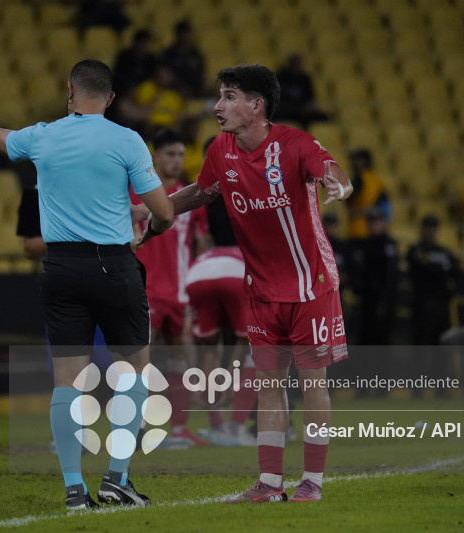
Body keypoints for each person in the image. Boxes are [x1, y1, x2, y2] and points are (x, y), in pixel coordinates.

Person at [0, 59, 173, 510]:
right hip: (114, 265)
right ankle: (117, 479)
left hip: (60, 267)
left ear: (69, 90)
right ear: (111, 98)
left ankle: (74, 491)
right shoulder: (127, 140)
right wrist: (148, 227)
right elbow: (164, 211)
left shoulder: (43, 135)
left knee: (66, 384)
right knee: (134, 375)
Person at [134, 64, 353, 503]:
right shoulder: (220, 149)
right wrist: (153, 211)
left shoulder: (295, 143)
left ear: (256, 105)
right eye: (219, 96)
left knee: (313, 383)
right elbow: (201, 191)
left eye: (229, 96)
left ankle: (312, 481)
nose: (218, 106)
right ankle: (270, 483)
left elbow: (331, 169)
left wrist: (339, 186)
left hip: (310, 284)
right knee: (269, 383)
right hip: (260, 288)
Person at [132, 128, 208, 447]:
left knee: (180, 362)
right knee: (141, 364)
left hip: (180, 294)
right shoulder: (135, 193)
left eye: (181, 155)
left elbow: (200, 246)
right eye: (170, 154)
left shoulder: (190, 197)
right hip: (145, 291)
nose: (177, 161)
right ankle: (139, 429)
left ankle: (178, 429)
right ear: (155, 157)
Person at [186, 193, 258, 447]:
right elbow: (243, 340)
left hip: (196, 273)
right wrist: (230, 380)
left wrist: (201, 381)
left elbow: (206, 347)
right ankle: (235, 429)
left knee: (209, 348)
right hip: (236, 273)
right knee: (254, 351)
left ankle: (217, 424)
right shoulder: (249, 249)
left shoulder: (210, 244)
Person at [407, 215, 460, 347]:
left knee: (442, 344)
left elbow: (456, 269)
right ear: (422, 230)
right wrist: (442, 268)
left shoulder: (443, 251)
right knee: (423, 343)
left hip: (442, 305)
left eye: (434, 228)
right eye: (428, 228)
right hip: (423, 304)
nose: (431, 232)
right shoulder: (416, 250)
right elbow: (426, 267)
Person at [349, 207, 399, 346]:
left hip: (382, 302)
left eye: (375, 221)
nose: (372, 225)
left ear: (383, 223)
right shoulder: (365, 244)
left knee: (381, 340)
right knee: (365, 338)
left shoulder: (388, 244)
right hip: (367, 301)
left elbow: (392, 275)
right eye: (370, 221)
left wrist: (384, 302)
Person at [274, 53, 327, 128]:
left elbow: (310, 98)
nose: (296, 66)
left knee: (322, 117)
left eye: (298, 63)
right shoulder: (280, 77)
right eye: (294, 63)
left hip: (302, 110)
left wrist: (307, 108)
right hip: (285, 109)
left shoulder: (305, 78)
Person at [345, 149, 390, 239]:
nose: (352, 163)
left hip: (360, 231)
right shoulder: (377, 181)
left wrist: (361, 211)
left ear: (364, 162)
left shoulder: (361, 180)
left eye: (356, 160)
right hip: (368, 231)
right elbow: (386, 208)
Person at [160, 20, 205, 98]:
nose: (184, 37)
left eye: (187, 33)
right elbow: (165, 76)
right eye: (182, 33)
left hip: (194, 90)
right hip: (174, 90)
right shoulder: (168, 54)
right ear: (177, 34)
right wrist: (178, 87)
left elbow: (201, 75)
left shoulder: (196, 54)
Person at [112, 29, 156, 99]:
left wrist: (138, 87)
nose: (145, 47)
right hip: (122, 92)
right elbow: (119, 77)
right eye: (143, 43)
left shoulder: (152, 60)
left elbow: (151, 79)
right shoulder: (124, 56)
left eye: (147, 44)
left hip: (142, 91)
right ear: (136, 43)